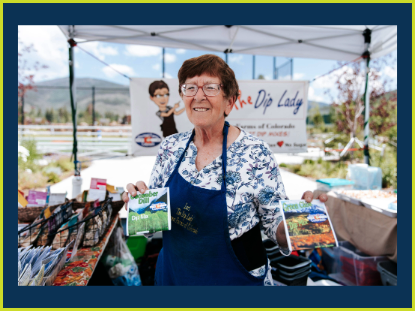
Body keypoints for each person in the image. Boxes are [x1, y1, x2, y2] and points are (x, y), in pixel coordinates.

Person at [123, 54, 328, 286]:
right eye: (190, 87)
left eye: (210, 87)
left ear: (230, 101)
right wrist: (137, 205)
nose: (198, 95)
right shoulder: (170, 147)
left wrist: (303, 222)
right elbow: (152, 221)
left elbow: (274, 224)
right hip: (175, 277)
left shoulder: (255, 153)